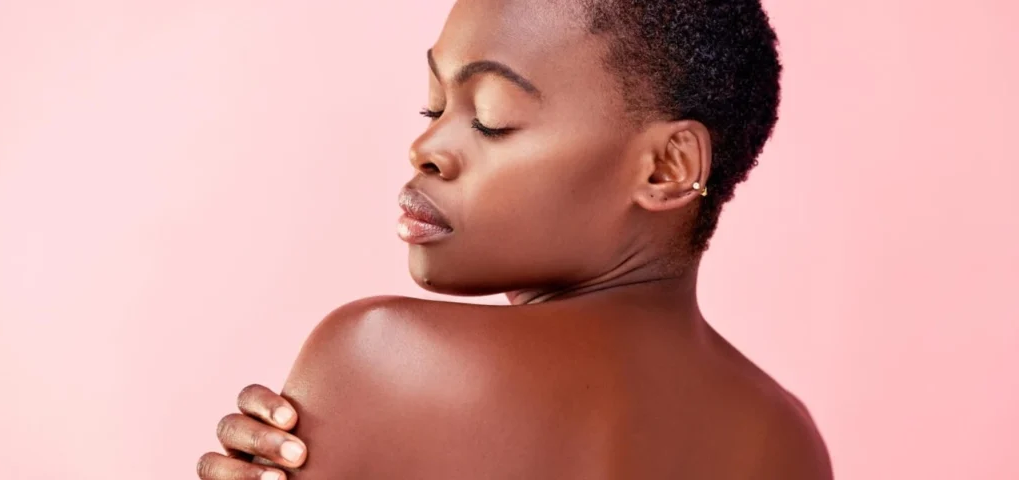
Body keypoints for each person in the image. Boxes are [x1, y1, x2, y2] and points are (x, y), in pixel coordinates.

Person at [197, 0, 833, 478]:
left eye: (491, 119)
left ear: (666, 168)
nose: (427, 148)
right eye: (434, 106)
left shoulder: (381, 357)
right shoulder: (787, 441)